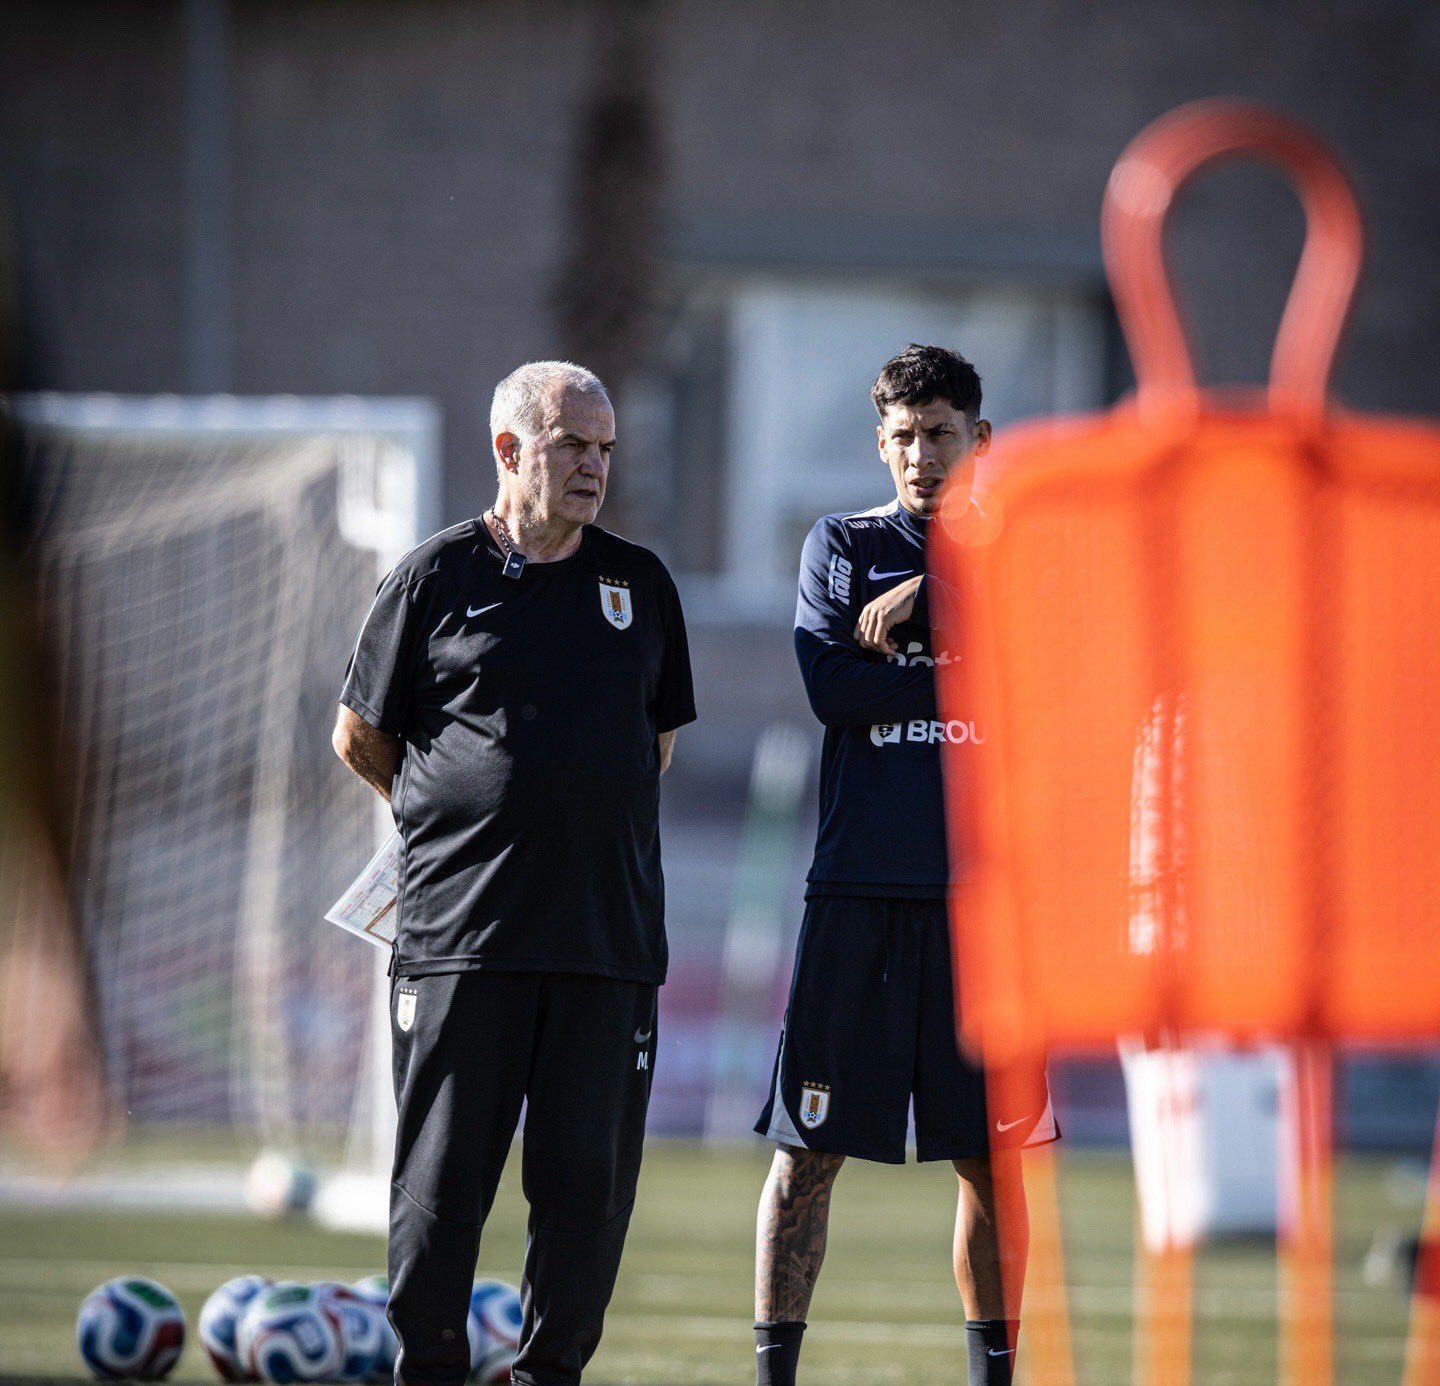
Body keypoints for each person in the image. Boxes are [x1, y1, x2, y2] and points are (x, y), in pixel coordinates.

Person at [333, 360, 696, 1386]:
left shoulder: (642, 583)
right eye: (574, 445)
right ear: (509, 450)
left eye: (606, 449)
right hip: (462, 937)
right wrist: (459, 811)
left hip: (605, 940)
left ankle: (549, 1374)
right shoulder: (433, 577)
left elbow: (653, 746)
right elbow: (360, 735)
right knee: (443, 1189)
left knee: (586, 1189)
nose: (595, 467)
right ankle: (433, 1368)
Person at [752, 344, 1057, 1386]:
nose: (920, 456)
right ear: (879, 443)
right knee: (806, 1156)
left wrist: (936, 606)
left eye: (939, 434)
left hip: (989, 904)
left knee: (993, 1162)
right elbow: (835, 691)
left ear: (981, 438)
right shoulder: (840, 543)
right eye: (902, 438)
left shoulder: (1029, 551)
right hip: (857, 889)